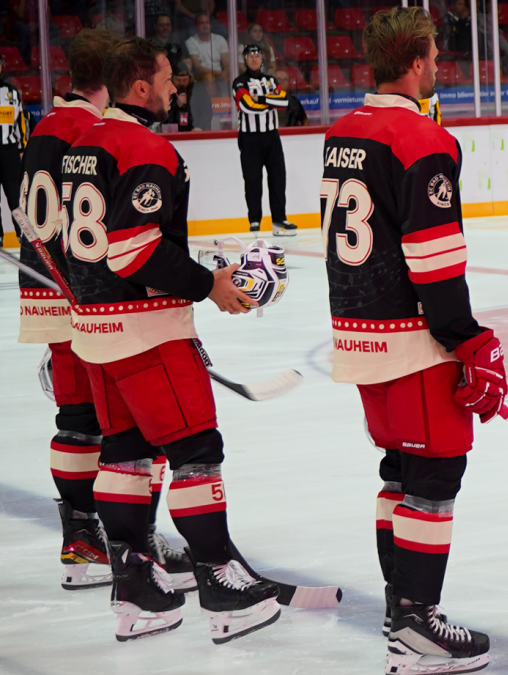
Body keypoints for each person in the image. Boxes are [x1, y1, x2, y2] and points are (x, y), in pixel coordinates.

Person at [61, 37, 280, 644]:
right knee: (194, 450)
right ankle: (220, 583)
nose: (173, 85)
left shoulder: (82, 144)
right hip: (146, 330)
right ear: (138, 87)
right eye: (164, 77)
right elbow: (135, 249)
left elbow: (75, 238)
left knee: (125, 454)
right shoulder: (144, 146)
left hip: (93, 330)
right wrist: (208, 284)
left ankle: (136, 592)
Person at [322, 7, 508, 673]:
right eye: (433, 54)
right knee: (434, 472)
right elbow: (433, 262)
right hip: (411, 337)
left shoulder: (342, 131)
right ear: (417, 60)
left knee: (399, 470)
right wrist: (471, 341)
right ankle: (418, 626)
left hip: (358, 332)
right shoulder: (423, 139)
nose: (439, 65)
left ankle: (401, 609)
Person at [16, 27, 123, 594]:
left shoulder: (47, 124)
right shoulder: (89, 128)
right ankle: (102, 535)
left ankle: (83, 534)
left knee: (78, 418)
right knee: (103, 418)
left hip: (46, 280)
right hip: (77, 285)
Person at [233, 45, 293, 236]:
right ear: (245, 59)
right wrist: (269, 102)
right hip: (250, 138)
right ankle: (255, 221)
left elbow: (283, 101)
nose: (254, 58)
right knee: (252, 180)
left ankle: (279, 219)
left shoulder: (271, 80)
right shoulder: (239, 82)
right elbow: (246, 105)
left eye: (257, 55)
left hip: (272, 136)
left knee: (278, 178)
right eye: (250, 55)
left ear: (262, 59)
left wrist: (259, 98)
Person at [0, 52, 26, 238]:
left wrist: (22, 149)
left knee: (15, 195)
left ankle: (24, 235)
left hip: (9, 150)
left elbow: (20, 124)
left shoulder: (12, 92)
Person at [185, 12, 229, 97]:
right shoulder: (190, 42)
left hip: (219, 72)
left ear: (211, 25)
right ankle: (213, 106)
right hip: (201, 74)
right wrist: (219, 74)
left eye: (207, 22)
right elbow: (198, 66)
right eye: (201, 23)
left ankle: (231, 105)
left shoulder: (220, 39)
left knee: (233, 74)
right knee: (209, 78)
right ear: (196, 26)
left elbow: (226, 63)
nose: (205, 25)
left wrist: (225, 73)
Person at [166, 66, 197, 131]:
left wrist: (200, 126)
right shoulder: (165, 90)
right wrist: (176, 104)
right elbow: (162, 114)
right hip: (172, 130)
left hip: (193, 129)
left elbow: (206, 111)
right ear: (171, 78)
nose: (182, 83)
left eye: (185, 80)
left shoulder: (196, 89)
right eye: (178, 80)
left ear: (190, 78)